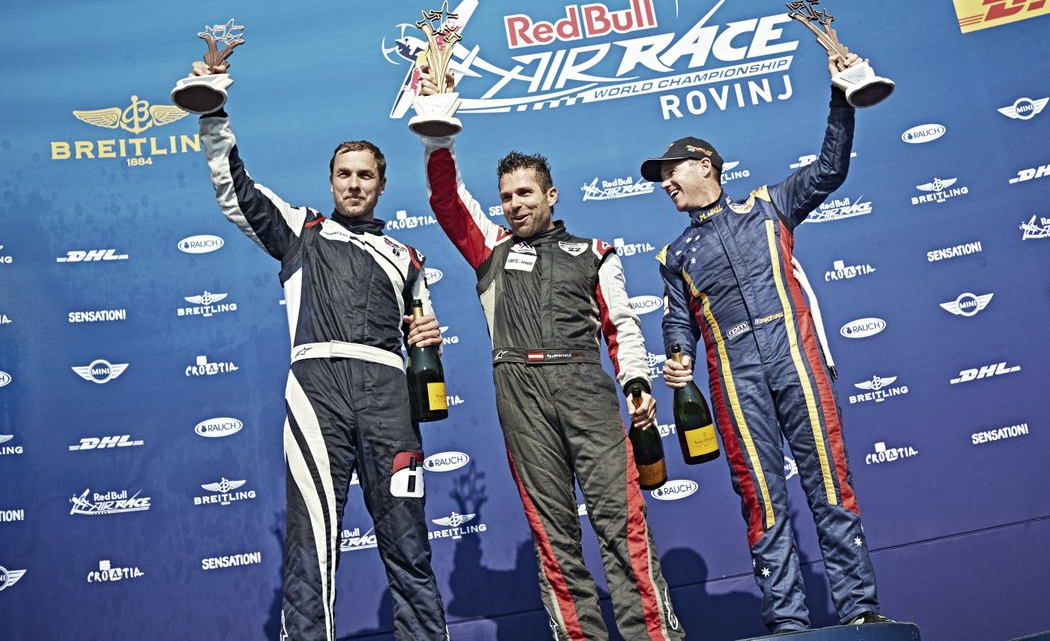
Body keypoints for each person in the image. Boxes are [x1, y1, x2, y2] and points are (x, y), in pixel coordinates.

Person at [414, 69, 684, 641]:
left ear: (551, 195)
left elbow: (622, 326)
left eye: (526, 194)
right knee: (553, 534)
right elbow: (446, 199)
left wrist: (637, 383)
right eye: (506, 196)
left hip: (587, 390)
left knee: (622, 524)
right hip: (520, 394)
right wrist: (438, 132)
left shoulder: (595, 252)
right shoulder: (489, 249)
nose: (515, 205)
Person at [188, 58, 448, 641]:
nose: (354, 185)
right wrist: (213, 116)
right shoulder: (302, 232)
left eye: (365, 176)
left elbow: (424, 344)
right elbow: (236, 192)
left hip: (390, 403)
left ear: (382, 185)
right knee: (311, 547)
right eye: (344, 175)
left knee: (409, 546)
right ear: (331, 182)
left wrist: (428, 339)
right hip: (317, 397)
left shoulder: (408, 259)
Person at [639, 53, 890, 632]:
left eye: (671, 171)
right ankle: (788, 624)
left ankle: (860, 611)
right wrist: (677, 359)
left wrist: (840, 97)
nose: (665, 183)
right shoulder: (675, 255)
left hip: (796, 359)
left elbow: (830, 168)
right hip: (735, 381)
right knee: (761, 499)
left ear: (704, 165)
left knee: (830, 483)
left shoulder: (769, 206)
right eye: (660, 178)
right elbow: (678, 323)